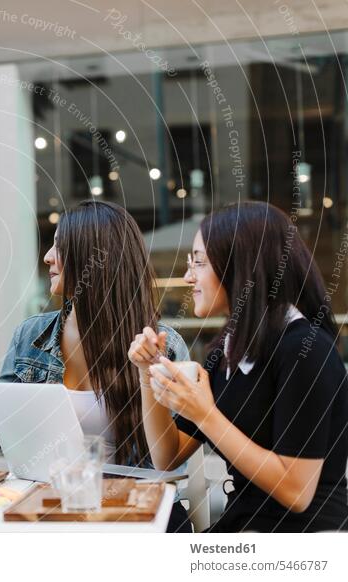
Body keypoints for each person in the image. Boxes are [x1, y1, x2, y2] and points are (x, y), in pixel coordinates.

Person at [0, 200, 193, 531]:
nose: (47, 257)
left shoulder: (162, 346)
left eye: (60, 246)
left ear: (93, 259)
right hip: (52, 503)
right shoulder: (31, 336)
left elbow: (168, 456)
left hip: (134, 505)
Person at [130, 201, 348, 532]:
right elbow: (167, 457)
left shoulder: (305, 350)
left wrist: (204, 413)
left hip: (304, 535)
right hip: (245, 525)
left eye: (199, 262)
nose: (188, 276)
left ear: (240, 267)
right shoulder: (228, 353)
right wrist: (147, 374)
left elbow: (296, 491)